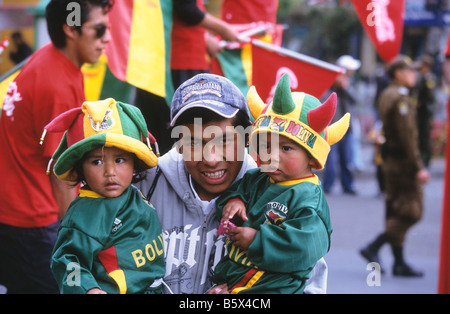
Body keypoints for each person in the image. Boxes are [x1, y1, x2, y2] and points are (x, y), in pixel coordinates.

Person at [135, 73, 329, 294]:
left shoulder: (282, 190)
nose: (211, 158)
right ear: (178, 145)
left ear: (248, 138)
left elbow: (310, 283)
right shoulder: (144, 185)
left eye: (225, 140)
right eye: (194, 142)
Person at [0, 0, 113, 294]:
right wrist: (76, 241)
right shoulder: (58, 86)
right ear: (70, 28)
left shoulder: (50, 57)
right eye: (99, 29)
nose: (107, 39)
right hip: (31, 223)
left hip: (15, 212)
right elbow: (61, 173)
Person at [210, 74, 350, 294]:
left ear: (312, 158)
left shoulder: (308, 198)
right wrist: (234, 201)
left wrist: (257, 240)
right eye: (266, 145)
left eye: (286, 148)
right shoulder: (256, 177)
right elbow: (235, 192)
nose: (271, 156)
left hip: (275, 286)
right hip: (238, 278)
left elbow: (304, 248)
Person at [48, 98, 165, 294]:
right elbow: (66, 261)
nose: (110, 171)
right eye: (97, 162)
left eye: (120, 160)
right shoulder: (84, 215)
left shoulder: (132, 192)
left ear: (134, 161)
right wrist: (88, 289)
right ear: (80, 168)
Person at [360, 56, 430, 277]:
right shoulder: (399, 97)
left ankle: (399, 262)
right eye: (410, 71)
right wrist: (418, 165)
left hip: (392, 161)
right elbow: (407, 136)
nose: (414, 75)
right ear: (398, 73)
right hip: (403, 164)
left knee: (396, 211)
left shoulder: (389, 94)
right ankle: (374, 246)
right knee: (412, 212)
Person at [171, 0, 239, 89]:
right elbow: (187, 9)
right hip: (183, 60)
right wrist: (223, 29)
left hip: (193, 58)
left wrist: (205, 35)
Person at [323, 55, 360, 195]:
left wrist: (345, 88)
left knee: (347, 158)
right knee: (331, 159)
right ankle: (328, 185)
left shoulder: (348, 84)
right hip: (331, 127)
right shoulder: (328, 84)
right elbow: (324, 101)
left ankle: (348, 185)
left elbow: (355, 100)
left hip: (346, 127)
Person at [415, 55, 436, 168]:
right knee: (421, 135)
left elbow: (430, 96)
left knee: (425, 135)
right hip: (421, 112)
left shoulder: (428, 78)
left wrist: (421, 103)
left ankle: (427, 159)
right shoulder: (423, 77)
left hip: (425, 112)